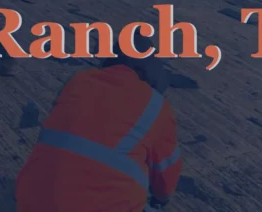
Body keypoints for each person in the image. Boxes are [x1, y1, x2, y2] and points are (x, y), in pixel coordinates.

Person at [15, 35, 181, 212]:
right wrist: (161, 199)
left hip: (30, 203)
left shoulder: (78, 81)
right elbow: (165, 178)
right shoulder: (156, 105)